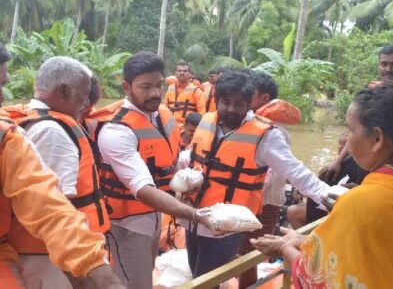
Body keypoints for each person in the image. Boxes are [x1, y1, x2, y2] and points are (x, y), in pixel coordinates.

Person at [252, 85, 393, 289]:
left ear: (377, 139)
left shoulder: (361, 202)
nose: (346, 139)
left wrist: (285, 247)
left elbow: (318, 277)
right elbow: (389, 251)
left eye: (350, 129)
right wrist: (302, 240)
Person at [177, 71, 330, 282]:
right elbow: (190, 156)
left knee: (205, 281)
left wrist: (331, 200)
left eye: (239, 104)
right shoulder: (207, 121)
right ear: (216, 100)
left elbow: (296, 172)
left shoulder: (266, 135)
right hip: (193, 218)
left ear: (249, 103)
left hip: (225, 226)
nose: (231, 109)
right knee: (197, 275)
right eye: (226, 102)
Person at [0, 43, 124, 289]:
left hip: (54, 252)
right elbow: (58, 206)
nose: (87, 102)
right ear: (65, 91)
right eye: (84, 94)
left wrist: (90, 267)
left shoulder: (12, 136)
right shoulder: (52, 131)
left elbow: (48, 207)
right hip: (44, 256)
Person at [88, 51, 216, 289]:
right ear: (127, 87)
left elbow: (170, 162)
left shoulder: (162, 114)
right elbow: (143, 189)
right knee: (134, 284)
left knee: (145, 276)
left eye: (158, 85)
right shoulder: (116, 130)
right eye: (145, 86)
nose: (155, 93)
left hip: (155, 217)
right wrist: (197, 216)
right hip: (128, 226)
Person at [236, 70, 302, 288]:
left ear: (264, 98)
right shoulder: (253, 126)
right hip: (250, 202)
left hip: (263, 204)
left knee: (248, 257)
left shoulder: (275, 132)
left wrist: (243, 192)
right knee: (243, 254)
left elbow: (271, 174)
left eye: (249, 94)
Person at [324, 45, 393, 184]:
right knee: (327, 177)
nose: (388, 69)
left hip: (391, 163)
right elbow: (356, 129)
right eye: (384, 64)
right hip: (362, 155)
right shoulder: (370, 91)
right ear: (378, 66)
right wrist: (338, 160)